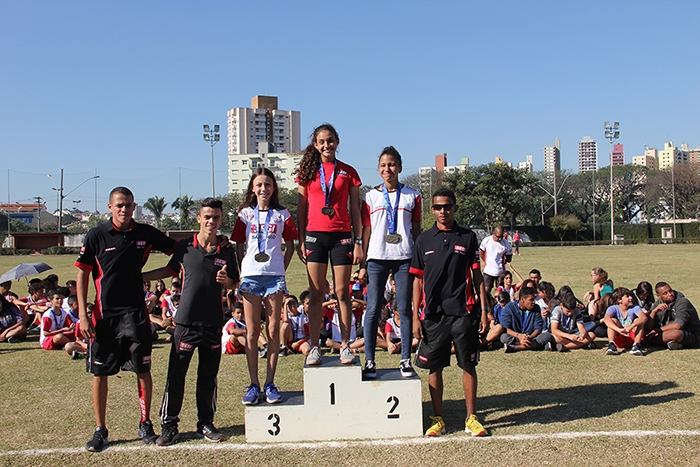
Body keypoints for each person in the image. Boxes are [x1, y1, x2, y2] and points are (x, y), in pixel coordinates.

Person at [75, 186, 177, 452]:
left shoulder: (144, 233)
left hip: (136, 316)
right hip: (104, 317)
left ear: (134, 207)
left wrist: (214, 241)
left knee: (143, 370)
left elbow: (178, 252)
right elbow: (83, 274)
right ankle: (100, 430)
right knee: (100, 373)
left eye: (129, 205)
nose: (124, 209)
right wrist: (83, 316)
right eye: (119, 205)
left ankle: (145, 423)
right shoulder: (96, 235)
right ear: (110, 207)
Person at [142, 197, 239, 446]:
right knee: (176, 376)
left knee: (208, 377)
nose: (211, 221)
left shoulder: (226, 250)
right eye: (207, 216)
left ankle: (205, 423)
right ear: (199, 218)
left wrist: (225, 280)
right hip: (185, 323)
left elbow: (234, 282)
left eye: (216, 217)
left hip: (213, 322)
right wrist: (140, 276)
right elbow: (170, 270)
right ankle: (169, 424)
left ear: (220, 220)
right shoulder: (185, 247)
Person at [410, 188, 488, 437]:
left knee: (468, 365)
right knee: (435, 368)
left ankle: (471, 418)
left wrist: (484, 311)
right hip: (433, 314)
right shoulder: (423, 239)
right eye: (438, 207)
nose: (442, 211)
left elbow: (477, 276)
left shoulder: (467, 237)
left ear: (455, 208)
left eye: (447, 206)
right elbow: (417, 281)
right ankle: (438, 419)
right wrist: (415, 316)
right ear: (432, 210)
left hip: (464, 312)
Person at [295, 124, 364, 365]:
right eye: (322, 141)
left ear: (337, 142)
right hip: (315, 235)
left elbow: (355, 209)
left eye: (330, 140)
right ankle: (314, 346)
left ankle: (345, 345)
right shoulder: (307, 172)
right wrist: (301, 240)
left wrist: (358, 241)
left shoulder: (348, 172)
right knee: (316, 293)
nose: (327, 145)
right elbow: (301, 208)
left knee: (343, 292)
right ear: (315, 144)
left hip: (342, 236)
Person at [233, 168, 297, 405]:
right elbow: (239, 245)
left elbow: (290, 246)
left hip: (274, 278)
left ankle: (270, 383)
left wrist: (281, 268)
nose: (263, 189)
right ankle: (253, 384)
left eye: (268, 184)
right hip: (250, 276)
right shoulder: (244, 214)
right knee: (251, 332)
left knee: (272, 330)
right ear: (252, 187)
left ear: (274, 188)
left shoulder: (282, 214)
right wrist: (243, 269)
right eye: (259, 184)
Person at [358, 145, 421, 378]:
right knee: (373, 308)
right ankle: (370, 361)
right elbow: (366, 230)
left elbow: (416, 228)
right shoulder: (370, 196)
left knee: (404, 308)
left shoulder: (413, 195)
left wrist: (418, 255)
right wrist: (362, 262)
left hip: (404, 256)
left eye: (392, 164)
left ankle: (405, 359)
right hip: (377, 257)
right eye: (383, 165)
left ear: (400, 167)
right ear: (378, 169)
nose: (388, 169)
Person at [645, 282, 700, 350]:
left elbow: (678, 325)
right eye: (665, 293)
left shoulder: (682, 302)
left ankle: (647, 341)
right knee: (644, 330)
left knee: (675, 334)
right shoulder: (658, 303)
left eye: (670, 291)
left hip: (690, 334)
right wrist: (653, 312)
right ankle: (673, 343)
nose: (670, 294)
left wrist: (657, 330)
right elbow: (648, 327)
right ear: (659, 296)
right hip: (666, 331)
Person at [499, 286, 552, 353]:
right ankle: (536, 346)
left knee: (547, 335)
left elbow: (538, 328)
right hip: (516, 337)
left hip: (531, 338)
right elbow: (506, 328)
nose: (533, 302)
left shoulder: (536, 308)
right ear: (522, 299)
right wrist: (519, 336)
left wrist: (529, 337)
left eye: (534, 299)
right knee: (503, 337)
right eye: (531, 300)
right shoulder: (509, 307)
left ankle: (515, 347)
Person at [603, 287, 647, 356]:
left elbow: (643, 318)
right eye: (627, 296)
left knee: (638, 321)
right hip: (619, 337)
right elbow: (606, 319)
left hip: (631, 337)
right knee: (613, 320)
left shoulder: (635, 308)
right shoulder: (612, 308)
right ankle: (611, 345)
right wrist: (619, 330)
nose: (631, 298)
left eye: (631, 296)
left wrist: (631, 326)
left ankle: (636, 345)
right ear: (619, 300)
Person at [479, 226, 513, 294]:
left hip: (501, 272)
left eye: (501, 236)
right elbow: (481, 252)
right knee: (486, 291)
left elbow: (509, 258)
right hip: (488, 271)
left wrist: (504, 262)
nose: (500, 238)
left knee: (501, 292)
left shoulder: (506, 244)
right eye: (498, 236)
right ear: (494, 233)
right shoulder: (487, 240)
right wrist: (487, 262)